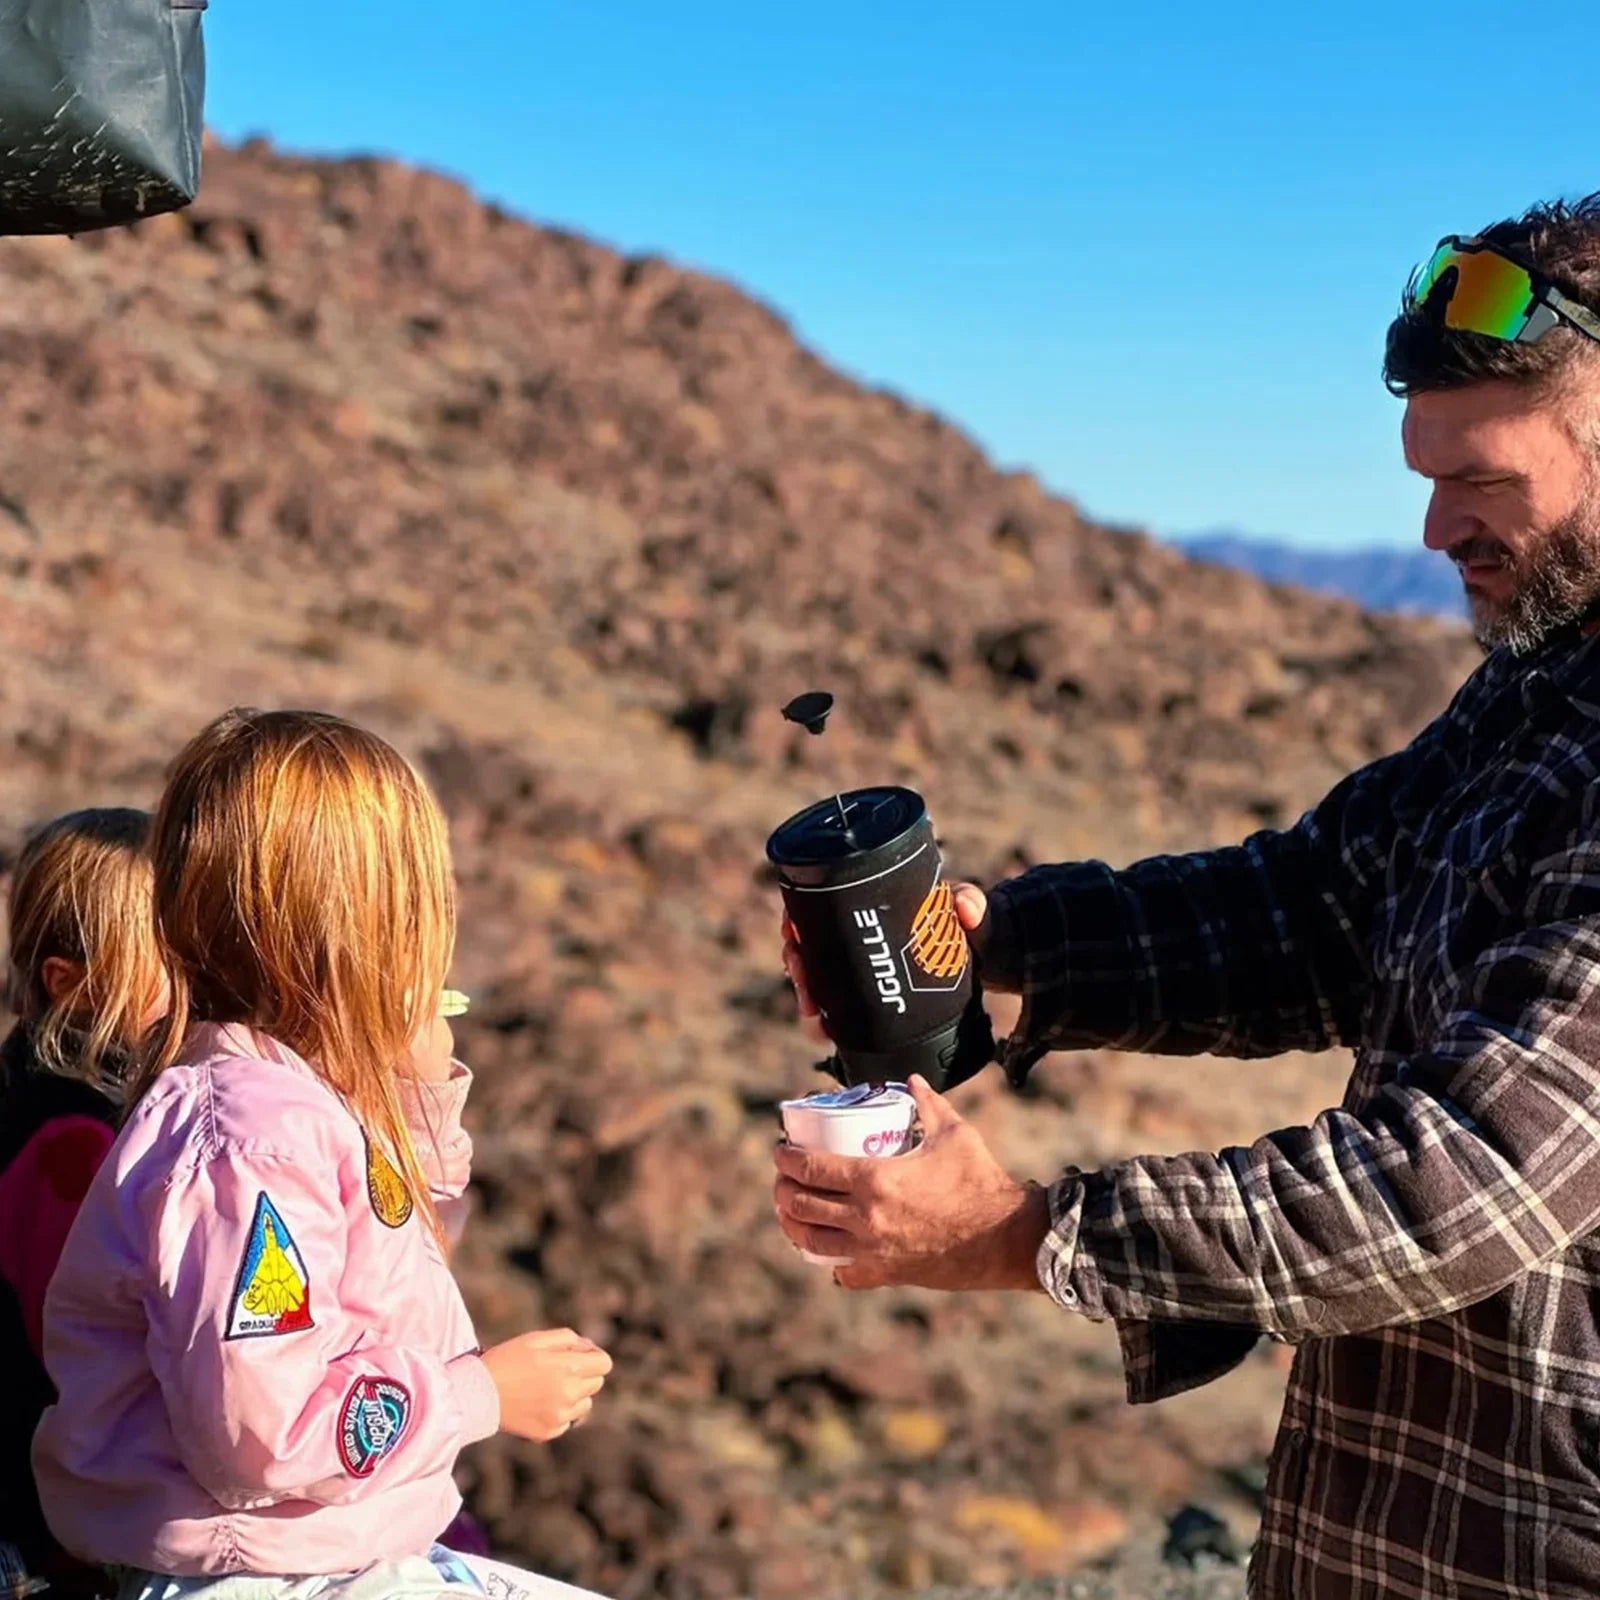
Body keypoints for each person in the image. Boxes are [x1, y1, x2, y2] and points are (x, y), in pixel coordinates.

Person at [775, 194, 1600, 1600]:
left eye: (1487, 483)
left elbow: (1453, 1184)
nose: (1435, 526)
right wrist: (993, 944)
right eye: (1429, 474)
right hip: (1387, 1526)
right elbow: (1317, 907)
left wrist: (1029, 1237)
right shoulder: (1542, 685)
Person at [33, 710, 613, 1600]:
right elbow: (259, 1434)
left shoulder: (302, 1098)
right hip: (259, 1570)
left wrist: (415, 1092)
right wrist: (480, 1396)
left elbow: (396, 1256)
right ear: (349, 928)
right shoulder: (251, 1140)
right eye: (418, 900)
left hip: (327, 1550)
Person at [1, 808, 166, 1600]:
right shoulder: (73, 1143)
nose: (194, 979)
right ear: (69, 983)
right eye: (165, 958)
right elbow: (84, 1359)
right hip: (41, 1550)